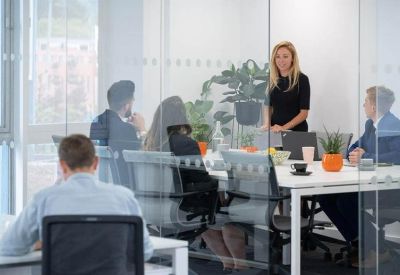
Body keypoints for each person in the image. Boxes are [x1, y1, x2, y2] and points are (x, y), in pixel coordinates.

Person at [0, 134, 153, 261]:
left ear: (62, 165)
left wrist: (38, 244)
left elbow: (8, 247)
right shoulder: (124, 198)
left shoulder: (44, 199)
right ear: (96, 162)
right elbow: (144, 252)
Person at [145, 96, 246, 271]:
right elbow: (202, 180)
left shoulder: (148, 144)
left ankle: (228, 264)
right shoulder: (185, 143)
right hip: (181, 206)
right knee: (227, 214)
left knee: (206, 220)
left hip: (154, 207)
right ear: (180, 118)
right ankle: (241, 266)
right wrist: (218, 184)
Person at [318, 86, 400, 267]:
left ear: (373, 106)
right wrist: (354, 153)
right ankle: (357, 244)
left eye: (366, 102)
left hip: (388, 187)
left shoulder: (393, 125)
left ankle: (380, 250)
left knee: (346, 201)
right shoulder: (371, 124)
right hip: (371, 183)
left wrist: (367, 156)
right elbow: (356, 145)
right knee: (325, 198)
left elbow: (397, 156)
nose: (363, 105)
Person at [90, 80, 146, 187]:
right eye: (132, 100)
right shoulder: (128, 130)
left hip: (102, 183)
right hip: (124, 187)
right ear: (126, 106)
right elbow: (143, 157)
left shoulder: (97, 122)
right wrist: (141, 129)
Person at [261, 41, 310, 133]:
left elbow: (304, 113)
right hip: (275, 133)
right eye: (277, 56)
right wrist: (267, 123)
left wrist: (284, 128)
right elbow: (267, 105)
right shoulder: (272, 80)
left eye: (285, 56)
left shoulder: (302, 79)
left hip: (296, 133)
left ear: (292, 58)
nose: (281, 60)